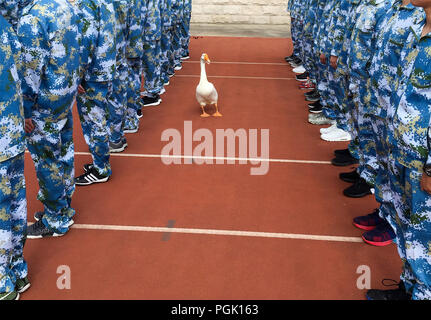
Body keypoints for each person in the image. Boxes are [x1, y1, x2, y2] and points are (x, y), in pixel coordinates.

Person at [367, 0, 431, 300]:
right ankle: (411, 288)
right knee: (409, 230)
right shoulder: (418, 27)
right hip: (402, 146)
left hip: (422, 160)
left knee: (425, 237)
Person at [18, 0, 81, 238]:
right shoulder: (64, 6)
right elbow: (78, 48)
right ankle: (64, 207)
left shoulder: (32, 18)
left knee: (47, 161)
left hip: (44, 103)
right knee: (64, 151)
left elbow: (30, 71)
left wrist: (24, 110)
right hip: (64, 95)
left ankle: (55, 218)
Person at [0, 10, 30, 300]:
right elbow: (21, 72)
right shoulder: (6, 25)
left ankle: (3, 283)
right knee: (15, 205)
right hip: (11, 133)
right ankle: (17, 270)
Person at [73, 0, 117, 186]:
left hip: (93, 72)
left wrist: (78, 75)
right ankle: (100, 163)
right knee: (98, 117)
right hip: (103, 66)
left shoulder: (88, 2)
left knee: (94, 120)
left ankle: (100, 168)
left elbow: (87, 41)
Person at [141, 0, 163, 107]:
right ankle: (154, 89)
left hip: (148, 30)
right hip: (154, 27)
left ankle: (152, 94)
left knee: (149, 63)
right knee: (154, 61)